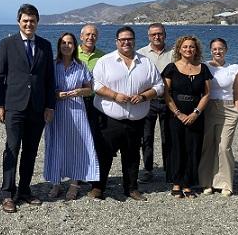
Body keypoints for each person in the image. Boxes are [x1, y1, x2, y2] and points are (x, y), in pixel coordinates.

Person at [0, 3, 55, 213]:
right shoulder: (7, 44)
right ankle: (7, 193)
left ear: (37, 22)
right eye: (25, 21)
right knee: (12, 149)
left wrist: (50, 105)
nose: (29, 24)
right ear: (19, 22)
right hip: (14, 106)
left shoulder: (45, 45)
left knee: (31, 150)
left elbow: (49, 78)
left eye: (32, 21)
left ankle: (25, 190)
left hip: (37, 107)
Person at [90, 26, 164, 201]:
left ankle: (131, 188)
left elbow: (159, 86)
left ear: (134, 41)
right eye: (122, 39)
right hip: (110, 118)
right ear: (117, 42)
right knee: (104, 154)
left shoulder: (145, 62)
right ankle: (98, 188)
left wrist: (144, 96)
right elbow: (95, 85)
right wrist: (114, 95)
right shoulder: (105, 61)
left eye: (129, 39)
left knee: (131, 155)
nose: (126, 42)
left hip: (136, 118)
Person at [44, 33, 99, 200]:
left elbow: (89, 89)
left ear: (75, 46)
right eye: (63, 43)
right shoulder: (52, 66)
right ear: (59, 45)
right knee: (55, 144)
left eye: (69, 43)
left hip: (76, 111)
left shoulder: (81, 66)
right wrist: (56, 94)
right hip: (56, 110)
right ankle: (56, 182)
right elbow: (45, 88)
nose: (66, 46)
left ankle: (75, 183)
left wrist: (78, 91)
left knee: (77, 145)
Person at [162, 36, 212, 198]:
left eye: (191, 47)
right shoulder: (171, 68)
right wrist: (178, 113)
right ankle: (177, 182)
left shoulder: (203, 68)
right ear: (179, 49)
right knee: (176, 147)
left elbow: (206, 94)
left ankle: (188, 183)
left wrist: (196, 113)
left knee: (193, 147)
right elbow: (166, 94)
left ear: (196, 49)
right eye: (185, 47)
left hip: (196, 113)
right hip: (175, 113)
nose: (188, 49)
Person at [198, 38, 238, 197]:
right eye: (214, 49)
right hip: (208, 108)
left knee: (224, 147)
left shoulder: (234, 69)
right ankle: (206, 182)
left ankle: (226, 183)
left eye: (221, 48)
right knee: (208, 145)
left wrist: (237, 110)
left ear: (226, 49)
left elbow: (237, 92)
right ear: (211, 51)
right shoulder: (205, 67)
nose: (218, 51)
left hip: (228, 108)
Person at [137, 22, 173, 183]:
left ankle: (169, 168)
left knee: (168, 136)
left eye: (160, 34)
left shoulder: (174, 53)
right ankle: (148, 169)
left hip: (169, 100)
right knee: (147, 137)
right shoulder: (141, 54)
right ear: (148, 36)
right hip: (148, 100)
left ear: (165, 35)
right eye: (153, 34)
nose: (157, 37)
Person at [77, 24, 109, 200]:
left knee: (96, 137)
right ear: (81, 36)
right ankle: (80, 172)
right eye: (88, 34)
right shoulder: (72, 54)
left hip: (96, 102)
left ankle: (94, 174)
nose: (91, 37)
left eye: (94, 35)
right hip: (76, 101)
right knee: (80, 138)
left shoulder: (103, 57)